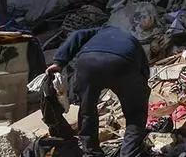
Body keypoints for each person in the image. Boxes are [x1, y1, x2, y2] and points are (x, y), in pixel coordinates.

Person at [47, 27, 150, 157]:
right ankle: (129, 153)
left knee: (87, 111)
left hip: (88, 63)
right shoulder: (131, 39)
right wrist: (141, 92)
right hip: (123, 63)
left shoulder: (97, 32)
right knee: (135, 114)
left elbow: (77, 34)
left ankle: (91, 152)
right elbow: (144, 70)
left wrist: (59, 62)